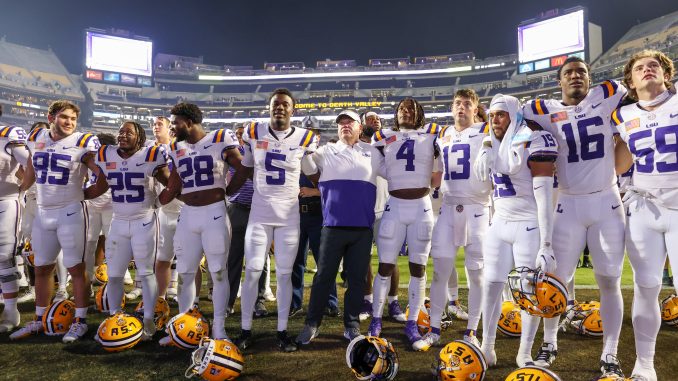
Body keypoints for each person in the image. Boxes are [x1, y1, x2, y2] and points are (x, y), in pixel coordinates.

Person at [520, 56, 628, 376]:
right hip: (566, 204)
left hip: (607, 201)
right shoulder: (543, 110)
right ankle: (549, 342)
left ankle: (610, 353)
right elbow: (514, 119)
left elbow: (635, 102)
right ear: (560, 81)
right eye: (569, 73)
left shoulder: (608, 94)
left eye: (581, 71)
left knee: (609, 280)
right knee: (555, 281)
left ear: (590, 79)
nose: (576, 76)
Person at [473, 93, 558, 368]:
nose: (495, 119)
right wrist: (487, 144)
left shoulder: (532, 137)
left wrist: (547, 242)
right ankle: (487, 347)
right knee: (491, 286)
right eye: (492, 115)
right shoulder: (490, 142)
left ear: (513, 113)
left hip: (528, 224)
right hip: (500, 223)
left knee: (528, 291)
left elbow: (544, 194)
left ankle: (524, 352)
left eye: (501, 114)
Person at [11, 100, 101, 342]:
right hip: (43, 211)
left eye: (72, 118)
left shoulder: (83, 141)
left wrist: (93, 191)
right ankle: (40, 320)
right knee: (42, 268)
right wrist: (21, 188)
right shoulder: (36, 136)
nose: (70, 122)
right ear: (51, 117)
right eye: (64, 117)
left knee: (76, 269)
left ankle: (80, 321)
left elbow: (100, 171)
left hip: (70, 211)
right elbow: (31, 165)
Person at [236, 88, 317, 353]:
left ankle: (282, 331)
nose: (279, 108)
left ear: (293, 110)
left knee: (284, 275)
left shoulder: (305, 138)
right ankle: (245, 329)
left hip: (289, 217)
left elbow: (313, 174)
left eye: (285, 104)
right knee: (252, 271)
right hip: (259, 215)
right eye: (275, 104)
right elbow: (247, 169)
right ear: (269, 108)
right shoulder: (253, 131)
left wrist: (321, 188)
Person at [612, 49, 676, 381]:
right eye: (640, 67)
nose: (647, 69)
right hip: (643, 208)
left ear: (667, 74)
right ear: (631, 81)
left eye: (654, 65)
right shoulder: (622, 116)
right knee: (646, 286)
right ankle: (645, 363)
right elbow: (619, 165)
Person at [159, 102, 248, 342]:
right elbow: (175, 182)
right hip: (188, 214)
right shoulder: (176, 147)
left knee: (218, 273)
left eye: (175, 122)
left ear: (188, 122)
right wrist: (160, 196)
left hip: (215, 214)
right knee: (186, 272)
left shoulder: (220, 137)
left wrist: (227, 191)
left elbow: (243, 167)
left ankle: (219, 327)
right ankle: (183, 326)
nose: (173, 127)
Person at [296, 109, 383, 344]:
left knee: (356, 280)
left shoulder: (373, 152)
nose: (345, 125)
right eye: (341, 123)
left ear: (359, 127)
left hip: (362, 229)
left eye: (350, 122)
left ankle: (352, 325)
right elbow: (309, 170)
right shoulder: (325, 150)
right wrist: (305, 150)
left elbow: (393, 173)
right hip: (332, 227)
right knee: (323, 277)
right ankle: (312, 323)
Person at [414, 89, 491, 351]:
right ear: (452, 107)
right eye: (457, 103)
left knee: (477, 274)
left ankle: (472, 330)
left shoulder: (486, 129)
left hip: (478, 208)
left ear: (475, 108)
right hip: (448, 207)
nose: (461, 108)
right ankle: (434, 329)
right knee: (440, 272)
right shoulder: (443, 134)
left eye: (467, 104)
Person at [84, 121, 171, 340]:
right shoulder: (106, 154)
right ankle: (115, 317)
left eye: (128, 132)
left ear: (139, 138)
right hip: (119, 221)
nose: (122, 135)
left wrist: (159, 202)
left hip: (144, 221)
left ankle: (149, 320)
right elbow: (102, 185)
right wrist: (79, 194)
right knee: (114, 275)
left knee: (146, 272)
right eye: (121, 131)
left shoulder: (151, 155)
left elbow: (169, 183)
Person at [367, 97, 438, 346]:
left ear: (419, 113)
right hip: (395, 205)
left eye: (411, 109)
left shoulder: (431, 134)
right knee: (386, 265)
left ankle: (411, 322)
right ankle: (376, 319)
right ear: (395, 114)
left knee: (418, 268)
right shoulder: (384, 136)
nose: (405, 112)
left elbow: (439, 167)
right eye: (401, 109)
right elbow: (376, 165)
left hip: (421, 206)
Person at [357, 111, 406, 323]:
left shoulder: (390, 143)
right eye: (369, 119)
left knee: (390, 258)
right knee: (363, 259)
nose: (374, 121)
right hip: (363, 209)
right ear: (361, 124)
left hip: (388, 207)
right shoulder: (355, 146)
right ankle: (367, 300)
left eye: (377, 118)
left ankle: (393, 302)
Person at [291, 118, 339, 318]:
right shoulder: (292, 155)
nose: (311, 135)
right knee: (295, 263)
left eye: (314, 132)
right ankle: (294, 302)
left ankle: (330, 302)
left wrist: (315, 191)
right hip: (295, 215)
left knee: (324, 262)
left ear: (318, 137)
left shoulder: (326, 156)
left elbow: (337, 186)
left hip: (319, 214)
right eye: (307, 132)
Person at [225, 123, 268, 315]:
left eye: (245, 134)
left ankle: (259, 300)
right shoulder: (233, 154)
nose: (242, 137)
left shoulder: (263, 152)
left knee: (260, 258)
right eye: (239, 134)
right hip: (238, 209)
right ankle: (228, 301)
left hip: (259, 210)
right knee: (233, 258)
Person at [0, 104, 29, 333]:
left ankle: (11, 310)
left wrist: (22, 189)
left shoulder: (7, 135)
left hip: (5, 201)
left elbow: (32, 165)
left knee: (3, 256)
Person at [149, 116, 182, 302]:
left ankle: (185, 298)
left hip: (186, 210)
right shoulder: (156, 152)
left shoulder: (188, 150)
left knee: (188, 260)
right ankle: (160, 298)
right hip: (164, 210)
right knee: (162, 257)